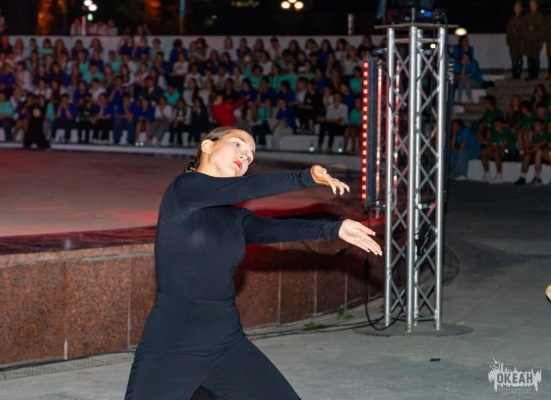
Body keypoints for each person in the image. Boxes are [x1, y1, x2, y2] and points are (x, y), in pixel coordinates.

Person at [124, 125, 381, 400]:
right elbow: (250, 186)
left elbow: (278, 229)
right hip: (171, 346)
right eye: (238, 144)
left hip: (227, 345)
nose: (245, 156)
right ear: (208, 146)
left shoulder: (236, 218)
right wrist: (305, 177)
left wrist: (335, 229)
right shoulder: (184, 190)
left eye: (250, 155)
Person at [480, 117, 515, 183]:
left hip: (509, 151)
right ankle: (487, 174)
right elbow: (489, 144)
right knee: (484, 151)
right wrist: (488, 137)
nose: (495, 126)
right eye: (494, 124)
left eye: (497, 124)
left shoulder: (506, 131)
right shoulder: (494, 133)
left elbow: (503, 147)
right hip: (498, 149)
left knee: (496, 152)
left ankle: (499, 175)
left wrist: (494, 146)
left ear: (502, 125)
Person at [515, 118, 547, 185]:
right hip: (534, 152)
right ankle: (522, 177)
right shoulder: (533, 135)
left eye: (538, 125)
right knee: (527, 156)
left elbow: (542, 145)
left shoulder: (546, 134)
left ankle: (537, 177)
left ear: (542, 126)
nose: (536, 127)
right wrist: (528, 138)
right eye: (534, 125)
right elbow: (529, 146)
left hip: (544, 154)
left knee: (538, 152)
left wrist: (532, 146)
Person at [524, 0, 545, 81]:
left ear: (536, 5)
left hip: (536, 40)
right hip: (529, 40)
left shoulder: (540, 16)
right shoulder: (527, 16)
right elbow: (525, 28)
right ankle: (530, 74)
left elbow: (542, 29)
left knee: (536, 57)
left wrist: (541, 41)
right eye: (530, 5)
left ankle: (535, 74)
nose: (531, 6)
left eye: (533, 4)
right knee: (529, 57)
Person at [507, 2, 526, 80]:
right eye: (516, 7)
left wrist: (523, 41)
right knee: (513, 58)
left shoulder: (523, 19)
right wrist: (508, 40)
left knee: (519, 57)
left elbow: (524, 31)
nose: (517, 9)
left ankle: (518, 73)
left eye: (518, 7)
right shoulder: (511, 19)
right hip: (513, 41)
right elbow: (509, 30)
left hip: (520, 41)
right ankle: (514, 73)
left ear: (521, 9)